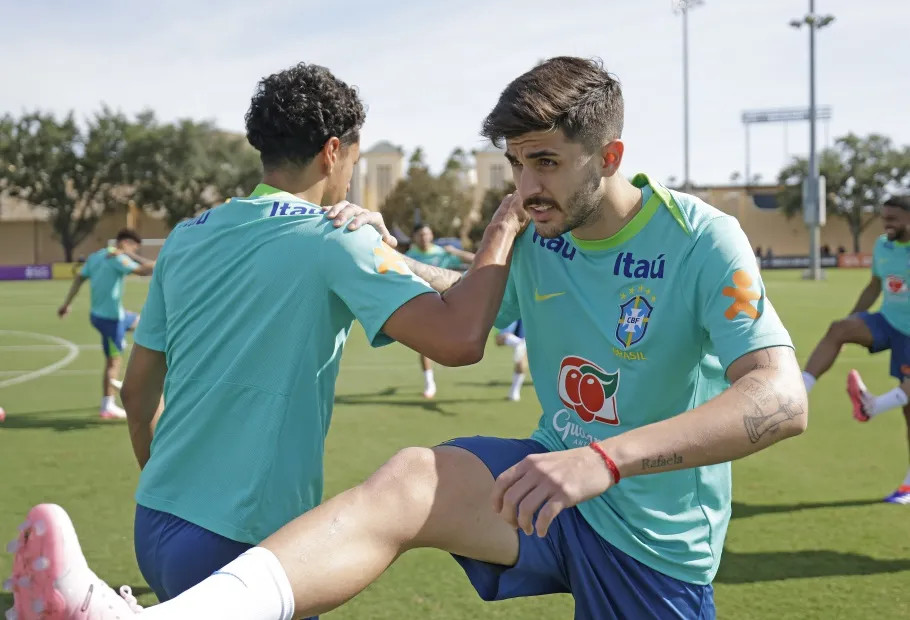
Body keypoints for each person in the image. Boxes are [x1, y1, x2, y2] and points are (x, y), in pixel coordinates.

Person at [9, 56, 808, 620]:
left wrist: (605, 457)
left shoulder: (703, 238)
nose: (526, 186)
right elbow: (463, 307)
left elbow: (778, 398)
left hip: (653, 536)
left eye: (547, 163)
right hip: (546, 495)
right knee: (409, 480)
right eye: (515, 164)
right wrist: (382, 248)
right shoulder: (535, 231)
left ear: (610, 156)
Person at [4, 61, 526, 620]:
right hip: (243, 541)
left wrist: (177, 498)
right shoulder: (336, 238)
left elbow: (136, 395)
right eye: (353, 157)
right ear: (333, 151)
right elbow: (462, 339)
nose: (349, 174)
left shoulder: (185, 237)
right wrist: (501, 230)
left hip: (154, 520)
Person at [801, 195, 910, 504]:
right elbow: (875, 285)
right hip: (889, 322)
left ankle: (908, 484)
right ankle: (798, 390)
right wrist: (854, 318)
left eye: (894, 219)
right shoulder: (883, 246)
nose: (887, 224)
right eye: (884, 217)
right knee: (839, 329)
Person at [57, 228, 156, 419]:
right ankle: (107, 405)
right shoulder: (117, 259)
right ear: (126, 242)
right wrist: (166, 260)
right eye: (134, 246)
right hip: (110, 320)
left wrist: (66, 304)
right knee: (114, 360)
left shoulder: (96, 257)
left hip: (105, 315)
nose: (135, 250)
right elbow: (142, 270)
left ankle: (139, 366)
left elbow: (80, 278)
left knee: (145, 324)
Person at [405, 223, 475, 398]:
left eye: (427, 234)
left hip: (447, 303)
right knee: (424, 345)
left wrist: (456, 252)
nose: (424, 238)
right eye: (421, 235)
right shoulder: (408, 257)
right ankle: (430, 384)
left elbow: (475, 259)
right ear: (414, 237)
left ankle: (442, 355)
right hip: (420, 305)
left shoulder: (441, 253)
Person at [494, 319, 527, 401]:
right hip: (528, 311)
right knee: (522, 353)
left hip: (513, 308)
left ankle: (517, 343)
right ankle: (514, 394)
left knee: (500, 338)